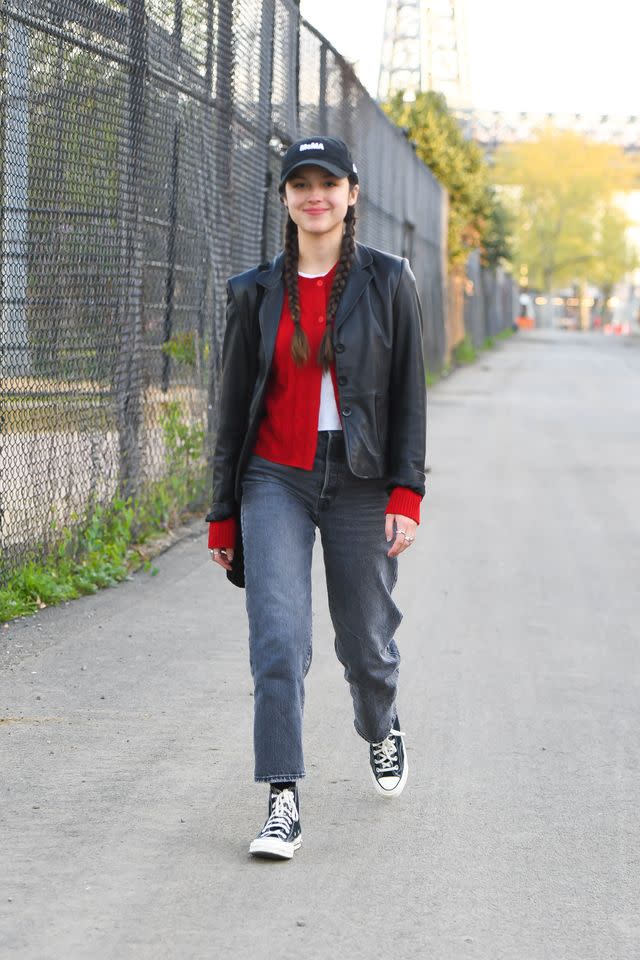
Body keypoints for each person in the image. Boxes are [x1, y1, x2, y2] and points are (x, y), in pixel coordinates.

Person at [205, 136, 426, 860]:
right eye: (299, 183)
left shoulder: (390, 281)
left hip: (361, 480)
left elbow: (409, 398)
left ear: (352, 194)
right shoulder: (253, 292)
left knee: (365, 643)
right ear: (285, 200)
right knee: (278, 641)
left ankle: (380, 721)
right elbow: (232, 409)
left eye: (327, 182)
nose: (314, 195)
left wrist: (406, 491)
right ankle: (281, 799)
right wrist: (223, 513)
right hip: (275, 477)